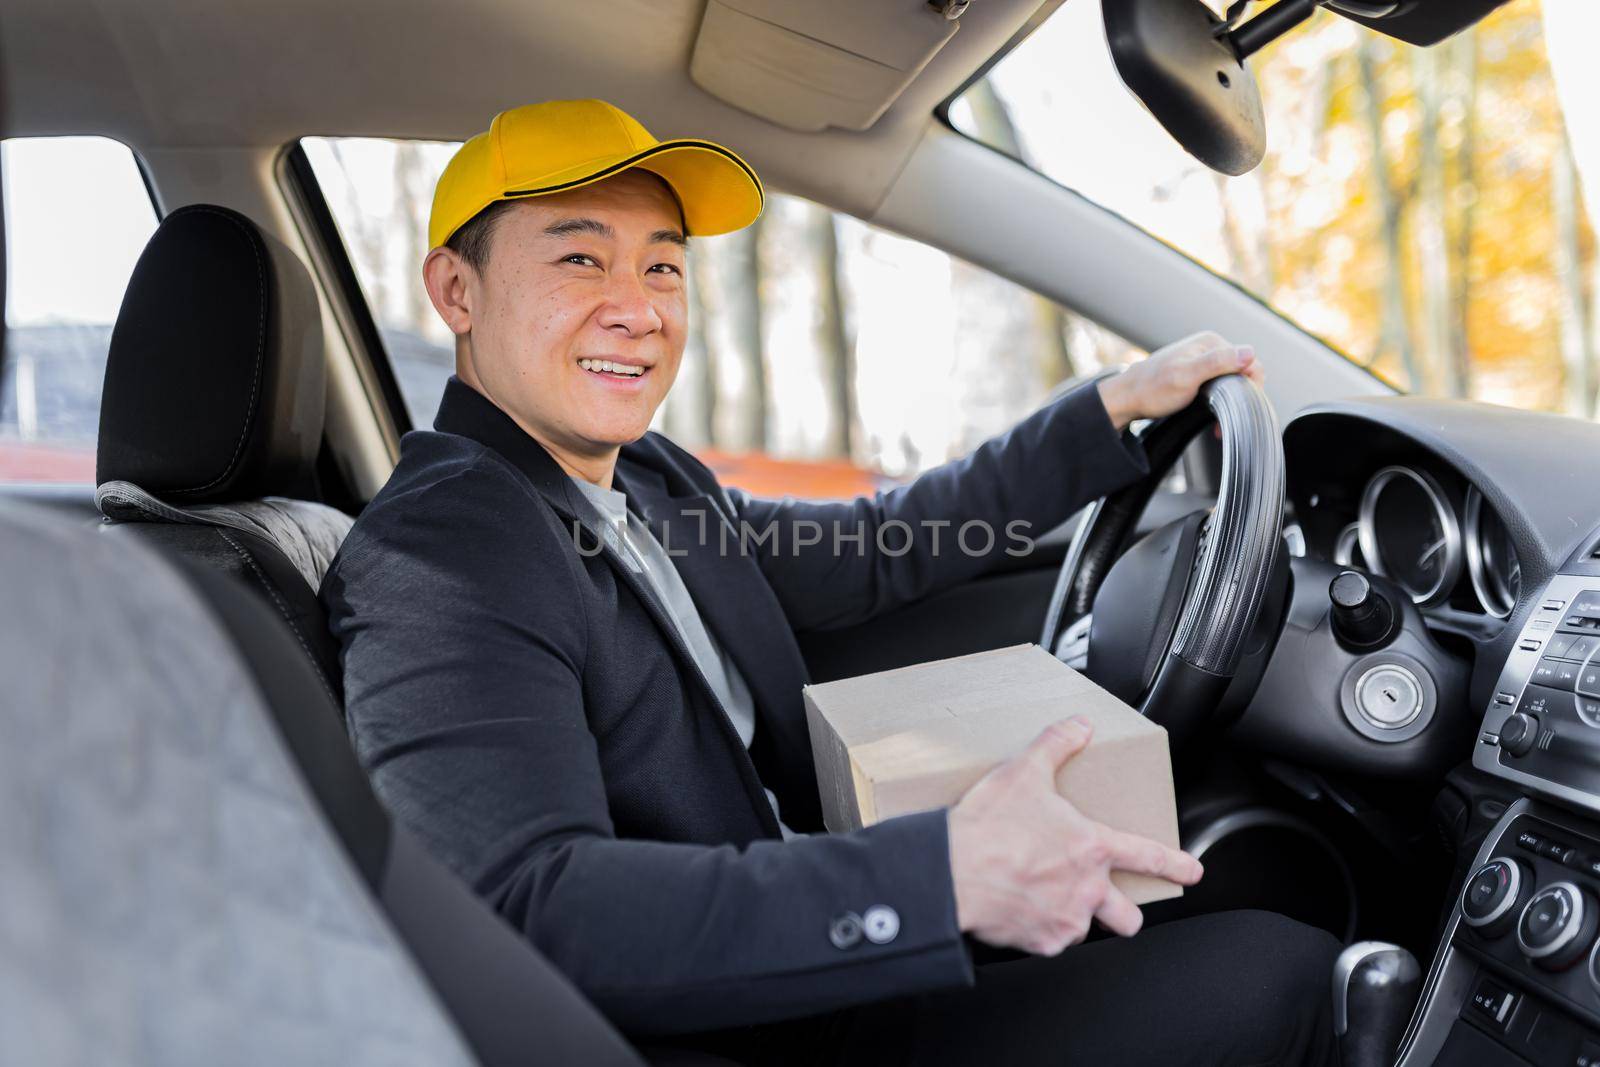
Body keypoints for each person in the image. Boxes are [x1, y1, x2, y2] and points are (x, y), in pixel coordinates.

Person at [322, 99, 1339, 1065]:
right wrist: (937, 879)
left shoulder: (643, 480)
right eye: (581, 257)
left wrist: (1104, 412)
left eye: (664, 267)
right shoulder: (443, 551)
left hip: (814, 949)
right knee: (1285, 971)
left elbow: (877, 544)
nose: (636, 308)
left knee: (1236, 902)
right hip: (750, 1023)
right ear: (457, 291)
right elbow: (522, 908)